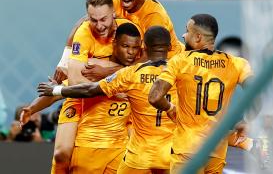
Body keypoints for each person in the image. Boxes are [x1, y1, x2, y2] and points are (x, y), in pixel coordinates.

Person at [21, 0, 141, 174]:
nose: (99, 26)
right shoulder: (84, 33)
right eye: (93, 20)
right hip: (80, 94)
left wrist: (103, 69)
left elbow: (140, 65)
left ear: (113, 14)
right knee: (62, 154)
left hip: (112, 97)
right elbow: (75, 81)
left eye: (103, 19)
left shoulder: (129, 30)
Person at [38, 26, 175, 174]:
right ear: (170, 46)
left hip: (138, 157)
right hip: (170, 154)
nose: (130, 51)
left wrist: (55, 89)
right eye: (126, 46)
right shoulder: (180, 73)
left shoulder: (130, 74)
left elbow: (90, 90)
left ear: (144, 47)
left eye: (134, 47)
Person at [149, 14, 254, 173]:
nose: (183, 36)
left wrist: (170, 108)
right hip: (216, 150)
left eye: (187, 31)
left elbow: (155, 97)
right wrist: (245, 121)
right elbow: (257, 95)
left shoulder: (180, 61)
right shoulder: (238, 63)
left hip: (187, 150)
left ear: (197, 37)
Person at [54, 0, 184, 84]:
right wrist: (64, 63)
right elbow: (82, 23)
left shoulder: (155, 16)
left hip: (165, 63)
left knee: (92, 71)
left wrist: (108, 73)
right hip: (134, 60)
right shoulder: (116, 2)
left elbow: (149, 57)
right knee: (80, 66)